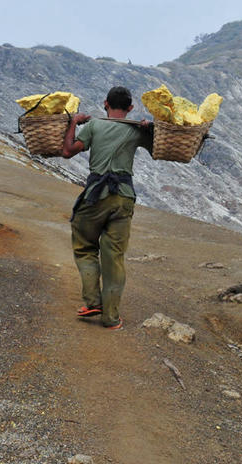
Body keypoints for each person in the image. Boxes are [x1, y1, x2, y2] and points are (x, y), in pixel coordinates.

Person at [61, 86, 153, 330]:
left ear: (105, 104)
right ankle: (111, 318)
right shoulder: (136, 130)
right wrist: (149, 127)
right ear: (130, 108)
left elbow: (67, 151)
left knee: (84, 247)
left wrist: (73, 122)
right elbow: (159, 147)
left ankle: (93, 302)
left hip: (95, 196)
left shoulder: (93, 126)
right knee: (114, 258)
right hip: (123, 198)